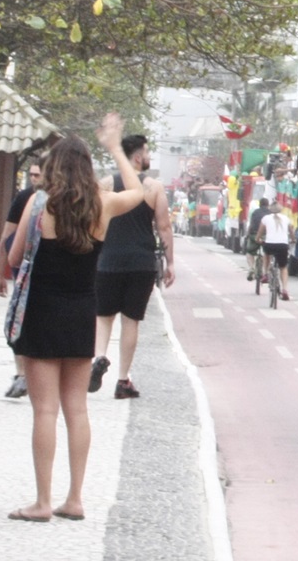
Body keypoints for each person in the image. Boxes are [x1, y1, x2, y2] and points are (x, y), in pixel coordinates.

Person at [7, 117, 148, 524]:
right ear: (87, 168)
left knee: (44, 412)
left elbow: (15, 259)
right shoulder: (103, 203)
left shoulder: (38, 204)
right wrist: (117, 148)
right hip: (81, 313)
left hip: (41, 314)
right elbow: (137, 190)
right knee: (78, 410)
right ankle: (74, 498)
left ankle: (41, 501)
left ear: (52, 168)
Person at [89, 132, 174, 401]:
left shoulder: (104, 184)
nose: (148, 157)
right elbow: (163, 226)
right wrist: (170, 262)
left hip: (107, 260)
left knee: (103, 318)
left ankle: (99, 357)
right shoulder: (153, 188)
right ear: (138, 157)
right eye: (147, 152)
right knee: (131, 321)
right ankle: (123, 379)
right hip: (141, 262)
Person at [0, 159, 45, 399]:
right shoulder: (24, 198)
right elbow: (7, 233)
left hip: (45, 271)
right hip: (23, 269)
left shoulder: (50, 199)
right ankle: (21, 374)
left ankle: (34, 374)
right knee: (19, 320)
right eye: (32, 175)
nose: (34, 179)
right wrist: (0, 273)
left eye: (38, 175)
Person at [254, 200, 293, 301]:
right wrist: (293, 239)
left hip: (270, 244)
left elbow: (260, 232)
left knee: (266, 254)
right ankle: (284, 290)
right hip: (283, 245)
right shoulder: (286, 218)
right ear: (281, 210)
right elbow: (291, 232)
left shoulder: (266, 218)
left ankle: (266, 274)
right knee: (283, 267)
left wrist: (258, 239)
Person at [243, 197, 270, 282]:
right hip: (267, 236)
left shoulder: (255, 212)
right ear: (267, 205)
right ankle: (265, 271)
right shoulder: (270, 213)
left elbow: (251, 225)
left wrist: (247, 235)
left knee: (249, 252)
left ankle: (251, 268)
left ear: (259, 204)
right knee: (267, 253)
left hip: (254, 235)